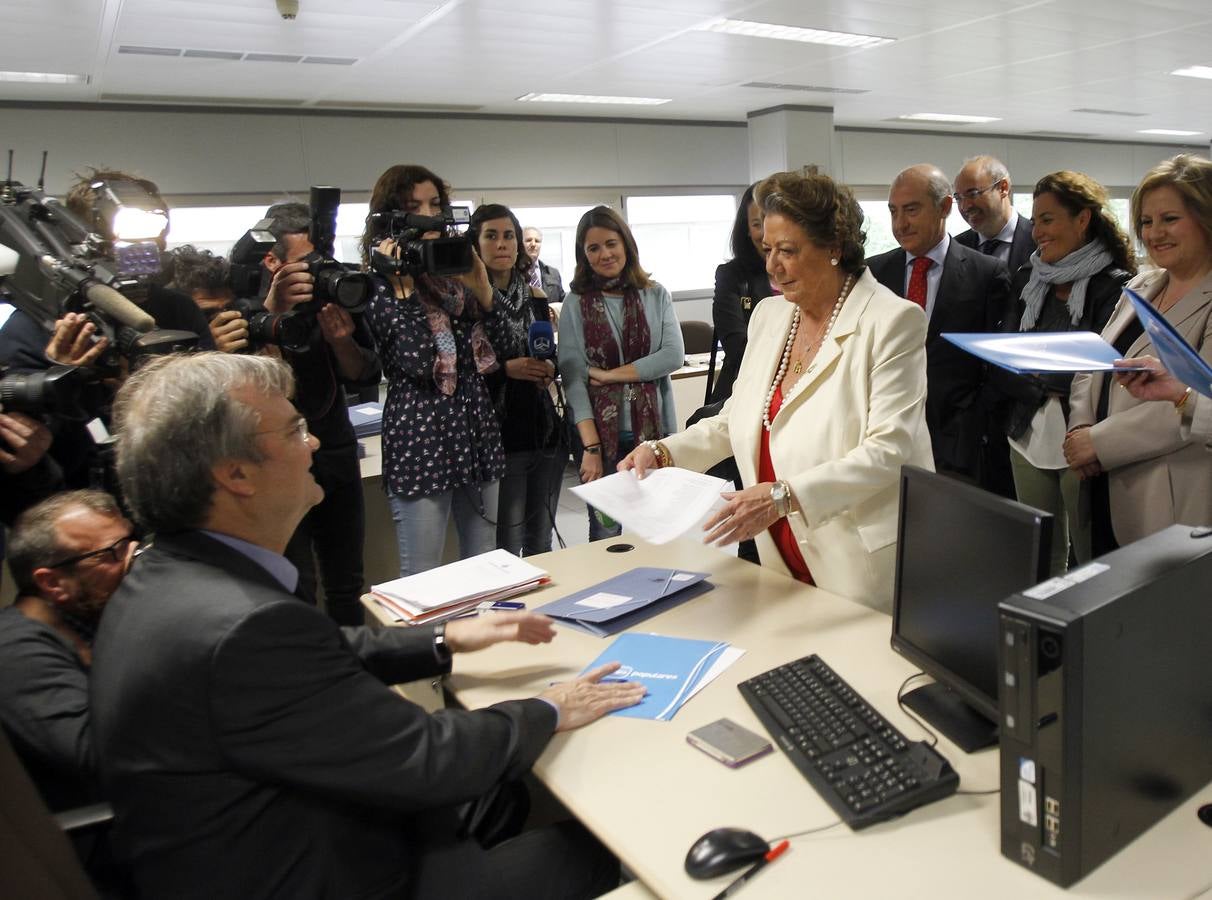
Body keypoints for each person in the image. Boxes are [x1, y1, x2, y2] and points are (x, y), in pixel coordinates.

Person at [90, 352, 644, 900]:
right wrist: (550, 706)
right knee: (607, 844)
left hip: (265, 841)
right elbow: (430, 759)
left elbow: (315, 654)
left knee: (507, 794)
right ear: (236, 475)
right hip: (331, 870)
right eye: (294, 430)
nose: (312, 444)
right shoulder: (244, 627)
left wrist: (443, 637)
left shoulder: (167, 578)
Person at [621, 169, 933, 612]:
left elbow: (890, 450)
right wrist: (664, 451)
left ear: (834, 248)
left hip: (859, 562)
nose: (772, 266)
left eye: (788, 250)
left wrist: (783, 496)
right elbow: (737, 417)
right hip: (781, 552)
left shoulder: (891, 321)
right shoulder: (770, 315)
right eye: (767, 250)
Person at [361, 165, 506, 576]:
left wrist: (482, 288)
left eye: (435, 205)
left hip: (475, 430)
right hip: (419, 438)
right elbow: (415, 361)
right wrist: (404, 290)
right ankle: (428, 644)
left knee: (487, 566)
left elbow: (502, 352)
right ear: (390, 218)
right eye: (414, 208)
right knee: (424, 575)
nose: (429, 217)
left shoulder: (455, 276)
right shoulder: (375, 287)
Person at [1066, 153, 1212, 553]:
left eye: (1169, 219)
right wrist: (1079, 427)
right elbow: (1094, 363)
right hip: (1102, 481)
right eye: (1146, 222)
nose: (1154, 233)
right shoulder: (1142, 285)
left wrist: (1099, 442)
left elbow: (1195, 399)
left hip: (1168, 493)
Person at [991, 171, 1134, 573]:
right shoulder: (1027, 279)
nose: (1037, 231)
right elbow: (1006, 358)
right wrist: (1040, 377)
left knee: (1091, 555)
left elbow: (1101, 368)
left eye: (1047, 220)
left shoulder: (1117, 287)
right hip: (1027, 430)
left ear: (1083, 219)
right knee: (1040, 554)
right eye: (1034, 221)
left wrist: (1040, 371)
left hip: (1083, 431)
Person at [258, 201, 381, 624]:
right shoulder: (250, 301)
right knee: (295, 583)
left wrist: (342, 340)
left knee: (347, 581)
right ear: (273, 260)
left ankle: (354, 669)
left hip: (335, 447)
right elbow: (251, 382)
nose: (315, 272)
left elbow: (363, 373)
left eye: (320, 261)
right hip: (276, 460)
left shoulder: (341, 292)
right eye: (303, 263)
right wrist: (273, 312)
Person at [867, 164, 1013, 497]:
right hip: (884, 436)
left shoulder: (986, 273)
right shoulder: (874, 274)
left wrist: (974, 426)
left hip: (959, 445)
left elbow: (996, 364)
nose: (900, 224)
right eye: (893, 212)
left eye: (912, 210)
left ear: (945, 207)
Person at [0, 490, 132, 812]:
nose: (134, 558)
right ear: (53, 583)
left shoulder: (93, 620)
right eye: (111, 553)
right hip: (105, 837)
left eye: (131, 542)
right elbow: (96, 755)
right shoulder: (13, 650)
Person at [558, 206, 684, 541]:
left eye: (611, 243)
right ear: (583, 256)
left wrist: (611, 376)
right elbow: (573, 377)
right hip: (601, 436)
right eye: (593, 248)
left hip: (654, 433)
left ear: (626, 244)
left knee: (658, 529)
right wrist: (591, 447)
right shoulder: (575, 302)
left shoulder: (655, 294)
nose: (605, 254)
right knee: (606, 531)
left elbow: (673, 356)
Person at [469, 204, 567, 556]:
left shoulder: (536, 296)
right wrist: (505, 369)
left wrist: (547, 369)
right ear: (475, 245)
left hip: (543, 429)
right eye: (491, 236)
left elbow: (547, 352)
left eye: (509, 235)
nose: (502, 244)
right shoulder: (467, 302)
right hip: (499, 434)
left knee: (540, 542)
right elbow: (465, 368)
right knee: (507, 547)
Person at [710, 182, 772, 403]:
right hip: (746, 395)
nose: (767, 234)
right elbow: (738, 349)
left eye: (772, 221)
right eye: (757, 224)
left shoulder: (810, 277)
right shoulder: (731, 275)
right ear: (746, 228)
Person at [953, 155, 1036, 274]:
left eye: (973, 194)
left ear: (1003, 188)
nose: (965, 206)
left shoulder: (1040, 240)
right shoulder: (957, 248)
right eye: (959, 198)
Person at [523, 226, 566, 305]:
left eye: (537, 241)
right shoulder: (512, 273)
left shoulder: (553, 273)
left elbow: (563, 303)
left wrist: (554, 310)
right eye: (528, 240)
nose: (533, 244)